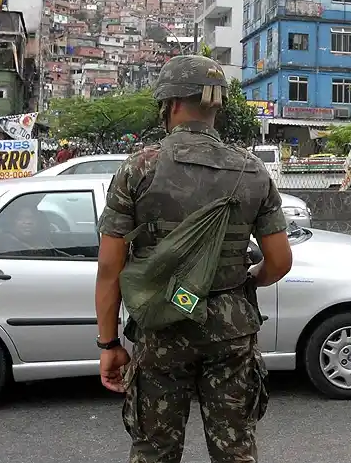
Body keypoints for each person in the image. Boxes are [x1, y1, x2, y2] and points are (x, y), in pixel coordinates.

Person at [94, 54, 293, 463]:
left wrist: (110, 342)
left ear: (170, 105)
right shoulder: (252, 171)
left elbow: (110, 268)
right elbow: (280, 261)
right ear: (216, 105)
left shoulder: (138, 169)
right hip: (231, 330)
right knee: (236, 448)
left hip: (162, 328)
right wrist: (246, 280)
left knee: (154, 450)